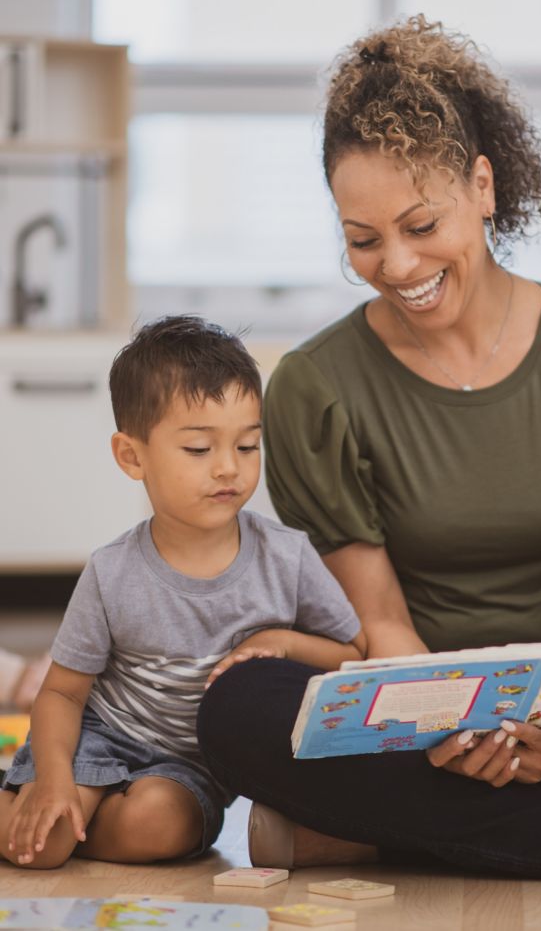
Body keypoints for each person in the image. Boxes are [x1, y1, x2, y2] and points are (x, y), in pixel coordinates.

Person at [196, 16, 541, 881]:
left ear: (483, 185)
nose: (397, 266)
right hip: (415, 719)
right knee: (236, 709)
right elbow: (384, 623)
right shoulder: (319, 387)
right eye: (363, 240)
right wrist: (451, 725)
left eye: (420, 224)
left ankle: (372, 835)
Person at [0, 315, 364, 869]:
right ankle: (49, 813)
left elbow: (353, 657)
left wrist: (286, 643)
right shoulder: (112, 570)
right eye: (199, 449)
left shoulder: (286, 556)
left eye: (247, 446)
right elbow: (62, 695)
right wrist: (53, 782)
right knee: (42, 846)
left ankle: (63, 823)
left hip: (192, 768)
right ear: (132, 456)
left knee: (158, 827)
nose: (229, 468)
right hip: (99, 738)